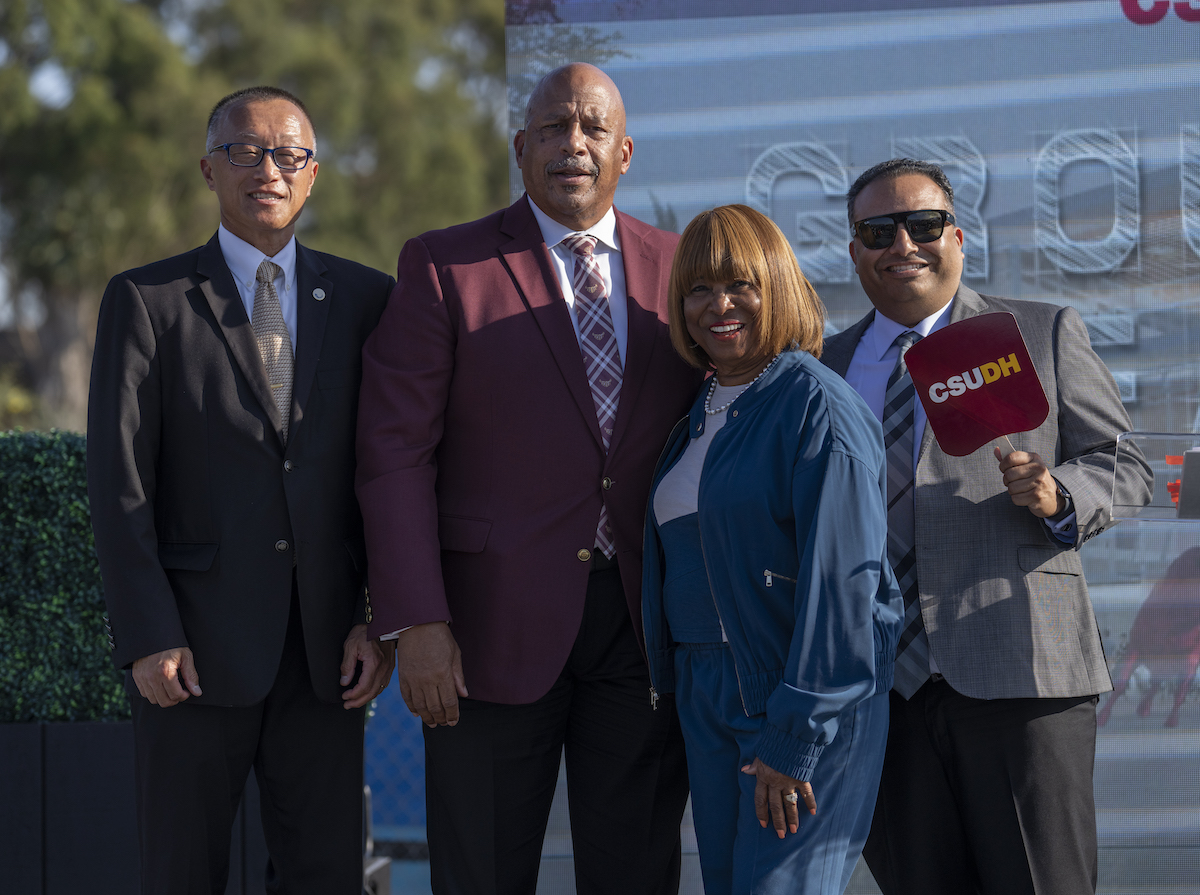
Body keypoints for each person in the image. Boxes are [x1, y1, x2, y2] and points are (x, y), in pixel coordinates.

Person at [354, 63, 700, 894]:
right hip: (482, 637)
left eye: (589, 128)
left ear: (624, 151)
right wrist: (416, 621)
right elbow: (394, 453)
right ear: (520, 147)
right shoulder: (444, 266)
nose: (571, 144)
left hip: (643, 630)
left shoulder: (683, 267)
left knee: (635, 872)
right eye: (552, 127)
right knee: (480, 873)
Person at [87, 86, 396, 894]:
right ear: (208, 168)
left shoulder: (369, 299)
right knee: (183, 873)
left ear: (314, 172)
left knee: (325, 874)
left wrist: (374, 618)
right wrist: (148, 635)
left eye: (288, 153)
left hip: (327, 656)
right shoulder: (147, 301)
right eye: (245, 151)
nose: (269, 168)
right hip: (190, 656)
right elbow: (119, 482)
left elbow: (387, 473)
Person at [821, 157, 1154, 895]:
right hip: (882, 696)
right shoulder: (819, 367)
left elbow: (1126, 466)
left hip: (1023, 678)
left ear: (959, 237)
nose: (902, 242)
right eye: (878, 230)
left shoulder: (1037, 333)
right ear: (854, 251)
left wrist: (1056, 492)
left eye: (923, 223)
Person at [640, 204, 903, 895]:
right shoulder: (699, 413)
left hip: (795, 701)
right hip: (708, 693)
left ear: (778, 286)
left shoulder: (816, 404)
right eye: (698, 289)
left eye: (740, 285)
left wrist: (796, 735)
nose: (718, 305)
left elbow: (845, 591)